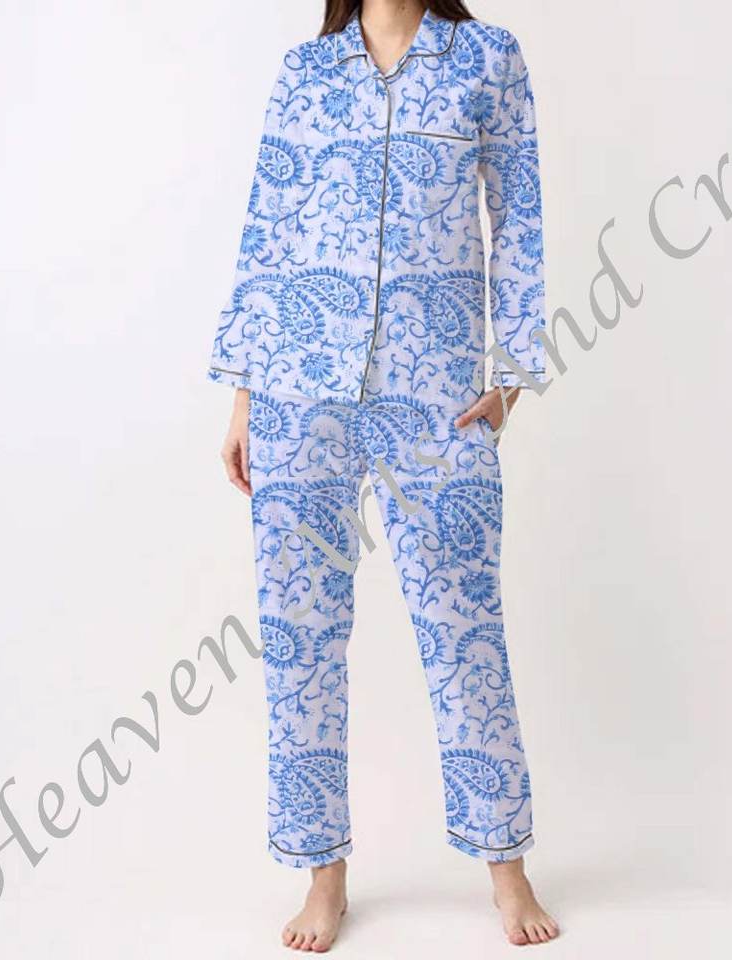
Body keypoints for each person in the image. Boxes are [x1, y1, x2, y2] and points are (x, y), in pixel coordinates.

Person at [210, 0, 558, 950]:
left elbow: (519, 218)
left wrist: (511, 375)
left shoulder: (486, 58)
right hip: (298, 393)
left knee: (464, 634)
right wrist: (243, 395)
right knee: (300, 643)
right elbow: (268, 231)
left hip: (435, 397)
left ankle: (507, 867)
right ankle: (323, 878)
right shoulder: (306, 72)